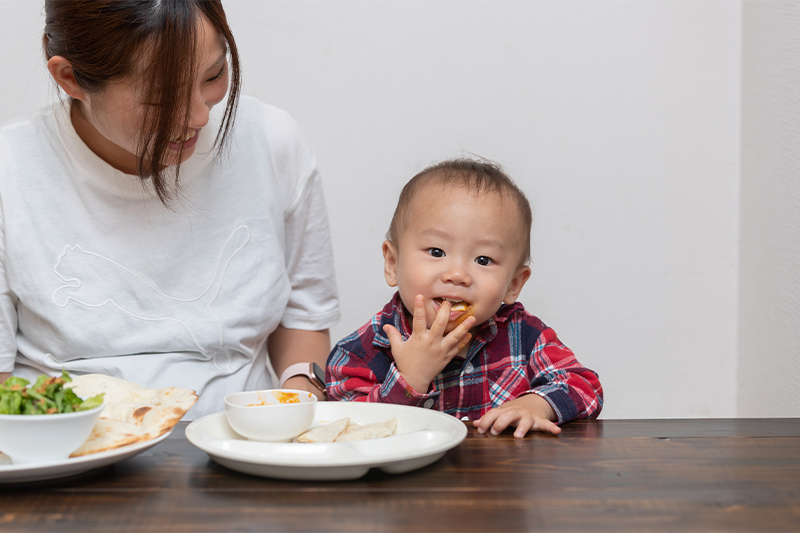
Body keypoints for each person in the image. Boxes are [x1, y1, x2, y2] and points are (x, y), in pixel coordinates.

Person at [0, 0, 339, 417]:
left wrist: (299, 398)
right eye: (161, 99)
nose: (198, 116)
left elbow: (303, 316)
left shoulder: (272, 142)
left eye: (214, 75)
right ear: (70, 78)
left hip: (236, 447)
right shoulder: (11, 170)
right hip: (64, 452)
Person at [326, 158, 602, 438]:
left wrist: (535, 405)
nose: (457, 274)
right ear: (392, 263)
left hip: (498, 477)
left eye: (483, 259)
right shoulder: (360, 352)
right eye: (436, 252)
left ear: (514, 284)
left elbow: (585, 386)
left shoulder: (525, 336)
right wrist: (410, 379)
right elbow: (344, 428)